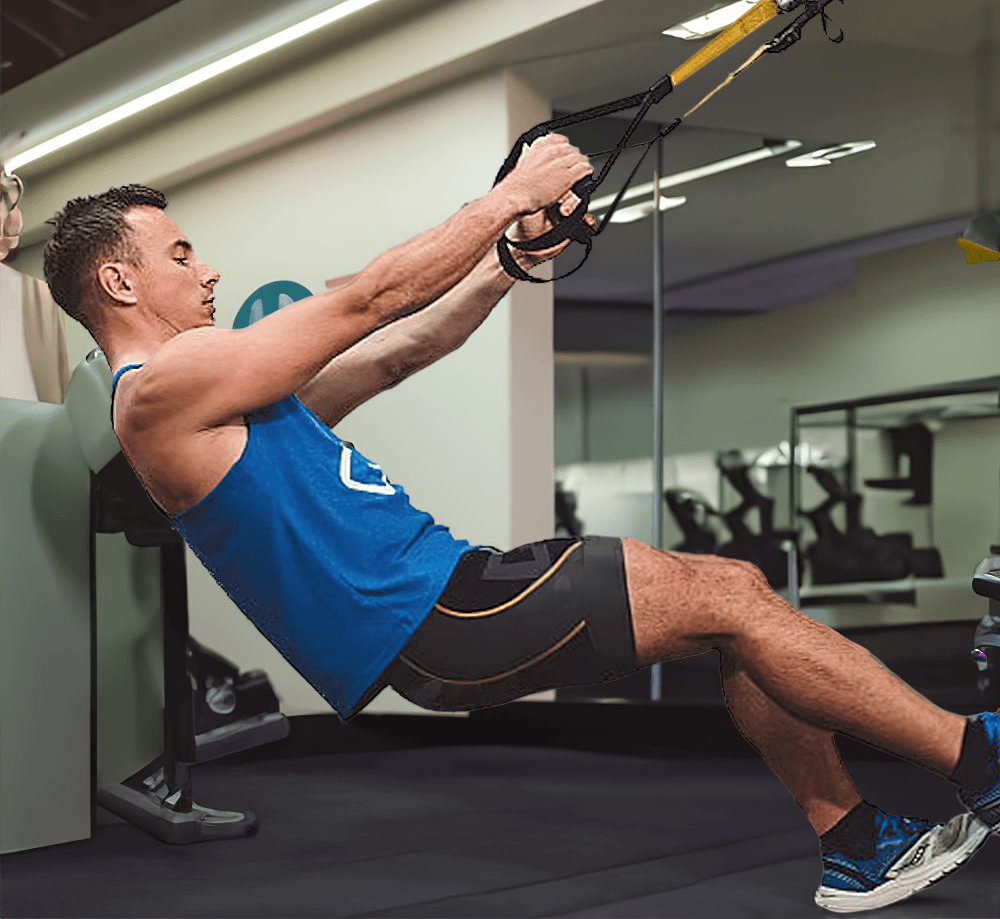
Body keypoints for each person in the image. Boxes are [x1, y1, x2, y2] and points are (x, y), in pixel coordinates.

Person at [42, 135, 997, 914]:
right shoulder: (159, 396)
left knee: (733, 602)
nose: (206, 269)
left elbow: (401, 348)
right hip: (434, 622)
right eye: (178, 254)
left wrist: (508, 261)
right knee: (723, 594)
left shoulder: (229, 403)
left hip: (455, 594)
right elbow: (368, 300)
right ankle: (978, 761)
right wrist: (509, 196)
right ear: (120, 285)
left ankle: (857, 844)